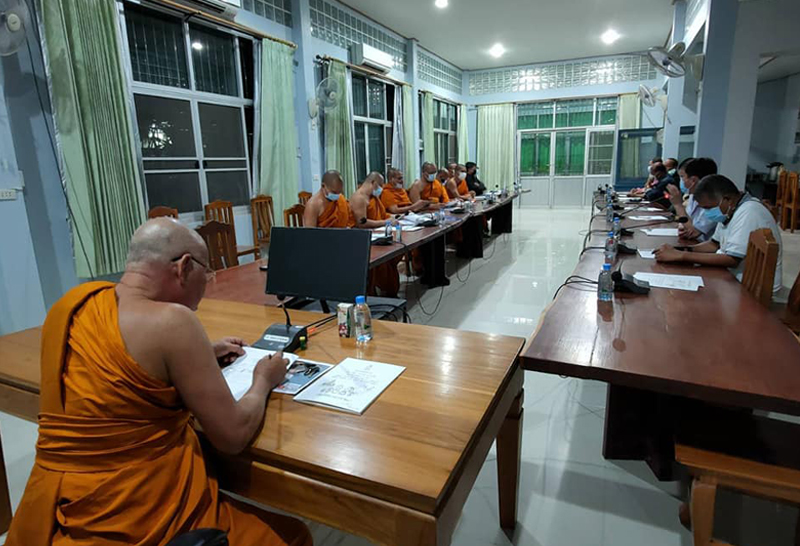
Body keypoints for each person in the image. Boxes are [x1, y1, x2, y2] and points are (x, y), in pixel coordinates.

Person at [6, 219, 312, 546]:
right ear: (184, 267)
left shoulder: (70, 306)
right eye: (207, 273)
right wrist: (263, 380)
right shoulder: (174, 322)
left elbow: (124, 369)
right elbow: (233, 436)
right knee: (294, 536)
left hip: (59, 504)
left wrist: (202, 354)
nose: (207, 284)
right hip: (133, 515)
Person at [654, 174, 783, 295]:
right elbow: (713, 245)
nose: (707, 213)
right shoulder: (730, 210)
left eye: (708, 208)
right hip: (735, 277)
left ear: (727, 199)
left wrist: (682, 256)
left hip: (752, 288)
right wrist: (680, 250)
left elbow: (731, 259)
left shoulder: (749, 212)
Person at [350, 172, 401, 296]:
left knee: (394, 252)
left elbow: (383, 215)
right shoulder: (359, 198)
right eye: (380, 185)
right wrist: (385, 222)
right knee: (382, 259)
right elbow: (361, 224)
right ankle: (376, 292)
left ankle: (389, 291)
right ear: (373, 183)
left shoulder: (374, 197)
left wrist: (393, 217)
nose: (381, 189)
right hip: (364, 239)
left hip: (379, 234)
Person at [666, 157, 718, 241]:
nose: (680, 181)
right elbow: (685, 222)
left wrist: (677, 204)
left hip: (703, 246)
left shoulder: (714, 202)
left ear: (693, 180)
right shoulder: (693, 196)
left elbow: (693, 232)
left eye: (682, 177)